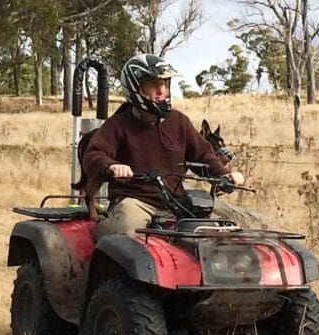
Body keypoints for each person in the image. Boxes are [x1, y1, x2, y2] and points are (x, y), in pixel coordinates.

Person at [82, 54, 244, 237]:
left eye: (164, 84)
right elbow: (93, 155)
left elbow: (204, 155)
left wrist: (225, 175)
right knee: (129, 234)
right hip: (135, 201)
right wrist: (111, 166)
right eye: (154, 85)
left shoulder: (178, 121)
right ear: (136, 88)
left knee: (212, 237)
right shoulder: (118, 124)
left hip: (177, 203)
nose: (161, 91)